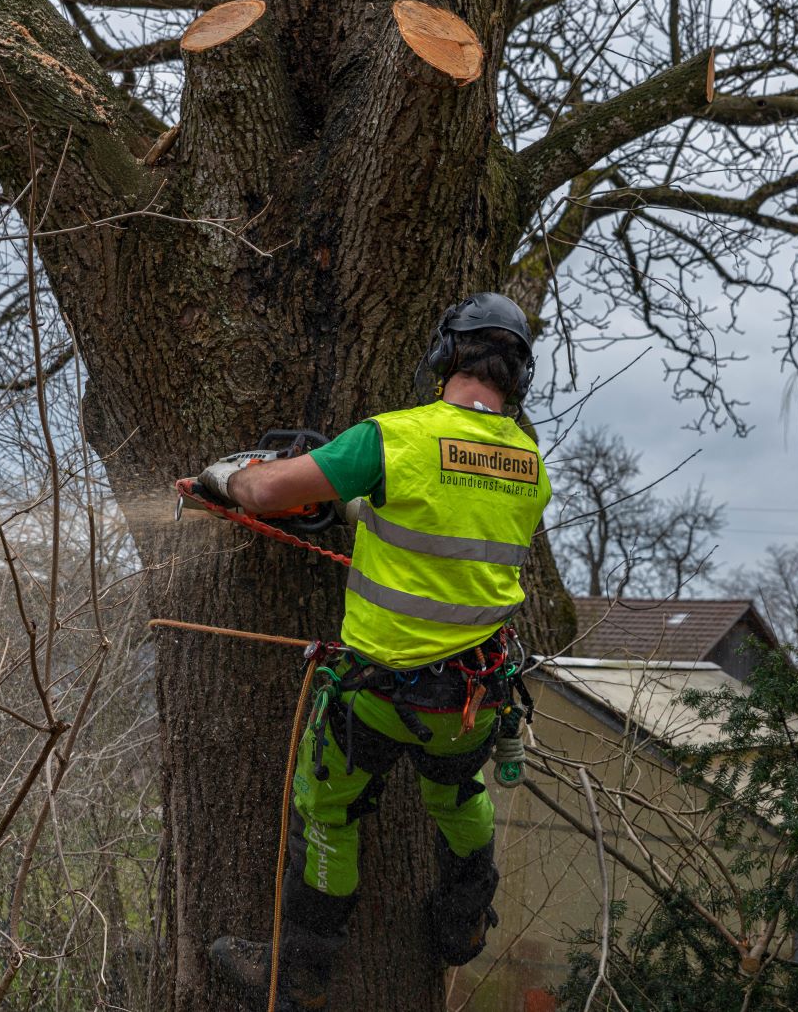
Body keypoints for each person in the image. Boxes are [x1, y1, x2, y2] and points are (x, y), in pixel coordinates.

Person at [194, 292, 552, 1011]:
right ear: (518, 378)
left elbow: (265, 489)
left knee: (326, 809)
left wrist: (223, 478)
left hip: (380, 699)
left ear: (443, 355)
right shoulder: (528, 465)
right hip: (473, 701)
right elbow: (452, 517)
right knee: (456, 793)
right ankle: (463, 919)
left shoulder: (393, 438)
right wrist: (357, 503)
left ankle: (301, 974)